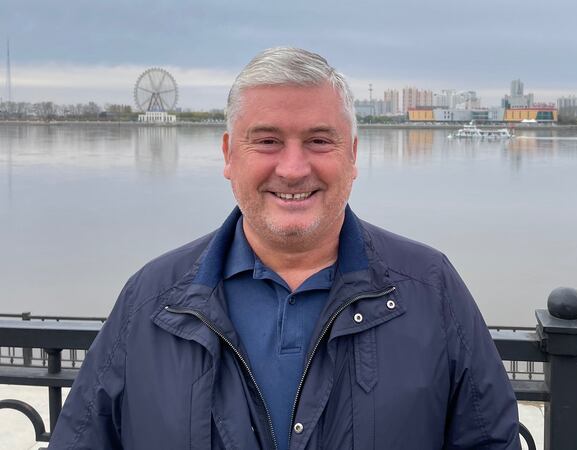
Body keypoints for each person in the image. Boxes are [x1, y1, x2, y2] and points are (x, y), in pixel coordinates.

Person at [50, 47, 520, 449]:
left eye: (318, 140)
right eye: (268, 141)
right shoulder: (151, 300)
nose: (293, 169)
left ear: (353, 156)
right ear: (228, 156)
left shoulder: (430, 289)